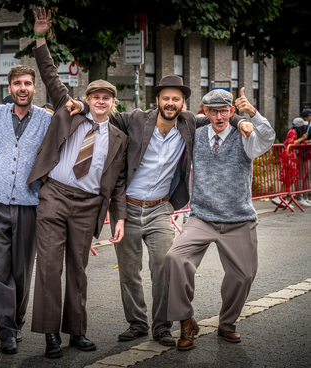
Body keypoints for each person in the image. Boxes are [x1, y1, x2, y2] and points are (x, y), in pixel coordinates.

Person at [68, 83, 251, 346]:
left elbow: (218, 113)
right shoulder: (136, 119)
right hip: (127, 208)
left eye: (176, 99)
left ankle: (162, 326)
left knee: (165, 267)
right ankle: (137, 323)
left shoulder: (189, 123)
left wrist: (240, 119)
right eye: (166, 98)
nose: (170, 103)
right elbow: (106, 112)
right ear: (157, 99)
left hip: (161, 208)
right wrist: (84, 105)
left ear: (183, 104)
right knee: (129, 272)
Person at [28, 9, 128, 359]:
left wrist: (120, 217)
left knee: (78, 271)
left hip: (88, 205)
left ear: (113, 103)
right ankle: (50, 335)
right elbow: (50, 75)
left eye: (107, 97)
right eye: (95, 96)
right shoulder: (68, 111)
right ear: (88, 99)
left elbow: (117, 184)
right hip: (54, 196)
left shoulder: (119, 137)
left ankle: (77, 332)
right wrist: (41, 37)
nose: (100, 101)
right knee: (50, 267)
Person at [165, 88, 275, 351]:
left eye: (224, 110)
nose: (218, 116)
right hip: (201, 217)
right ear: (205, 112)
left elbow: (268, 138)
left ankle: (227, 324)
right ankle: (186, 321)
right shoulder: (196, 135)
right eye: (212, 111)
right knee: (175, 259)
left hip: (239, 219)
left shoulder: (245, 135)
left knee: (244, 274)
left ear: (231, 112)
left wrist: (252, 114)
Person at [0, 65, 52, 355]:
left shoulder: (46, 120)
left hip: (29, 204)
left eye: (27, 83)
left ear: (34, 87)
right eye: (17, 83)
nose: (22, 88)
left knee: (22, 271)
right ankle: (6, 330)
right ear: (9, 87)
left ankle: (17, 321)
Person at [272, 118, 310, 208]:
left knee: (291, 177)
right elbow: (291, 143)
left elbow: (296, 142)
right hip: (288, 157)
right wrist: (302, 138)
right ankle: (280, 197)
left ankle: (283, 197)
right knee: (288, 178)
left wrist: (305, 141)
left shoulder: (294, 132)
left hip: (291, 157)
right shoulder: (292, 131)